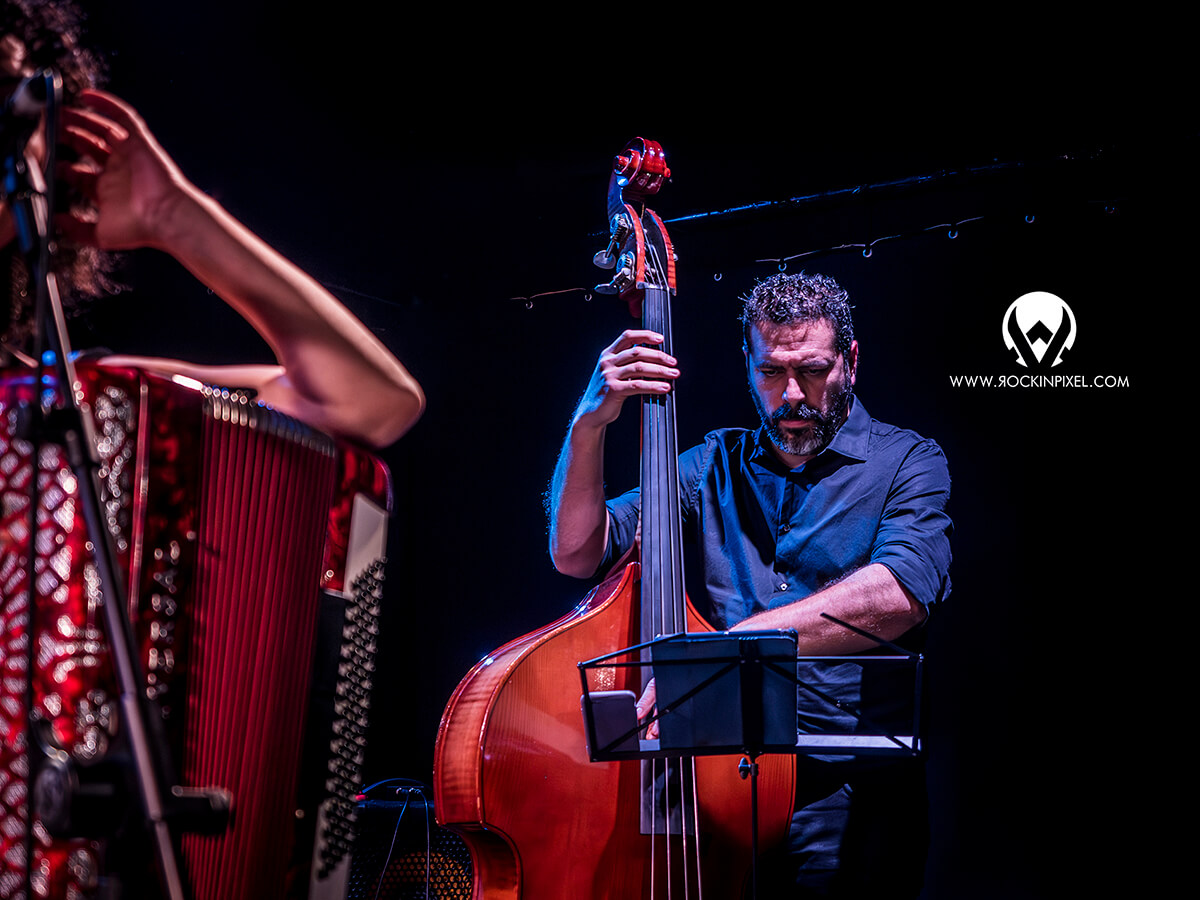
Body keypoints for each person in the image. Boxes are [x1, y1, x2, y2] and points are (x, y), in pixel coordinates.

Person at [548, 271, 952, 897]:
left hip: (848, 797)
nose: (791, 394)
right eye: (770, 372)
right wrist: (589, 424)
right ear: (747, 365)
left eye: (812, 370)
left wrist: (733, 649)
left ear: (850, 360)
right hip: (718, 792)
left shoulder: (908, 462)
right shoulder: (708, 465)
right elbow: (577, 551)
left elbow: (898, 593)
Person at [0, 0, 423, 447]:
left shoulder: (87, 400)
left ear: (47, 161)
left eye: (8, 99)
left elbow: (372, 402)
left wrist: (172, 214)